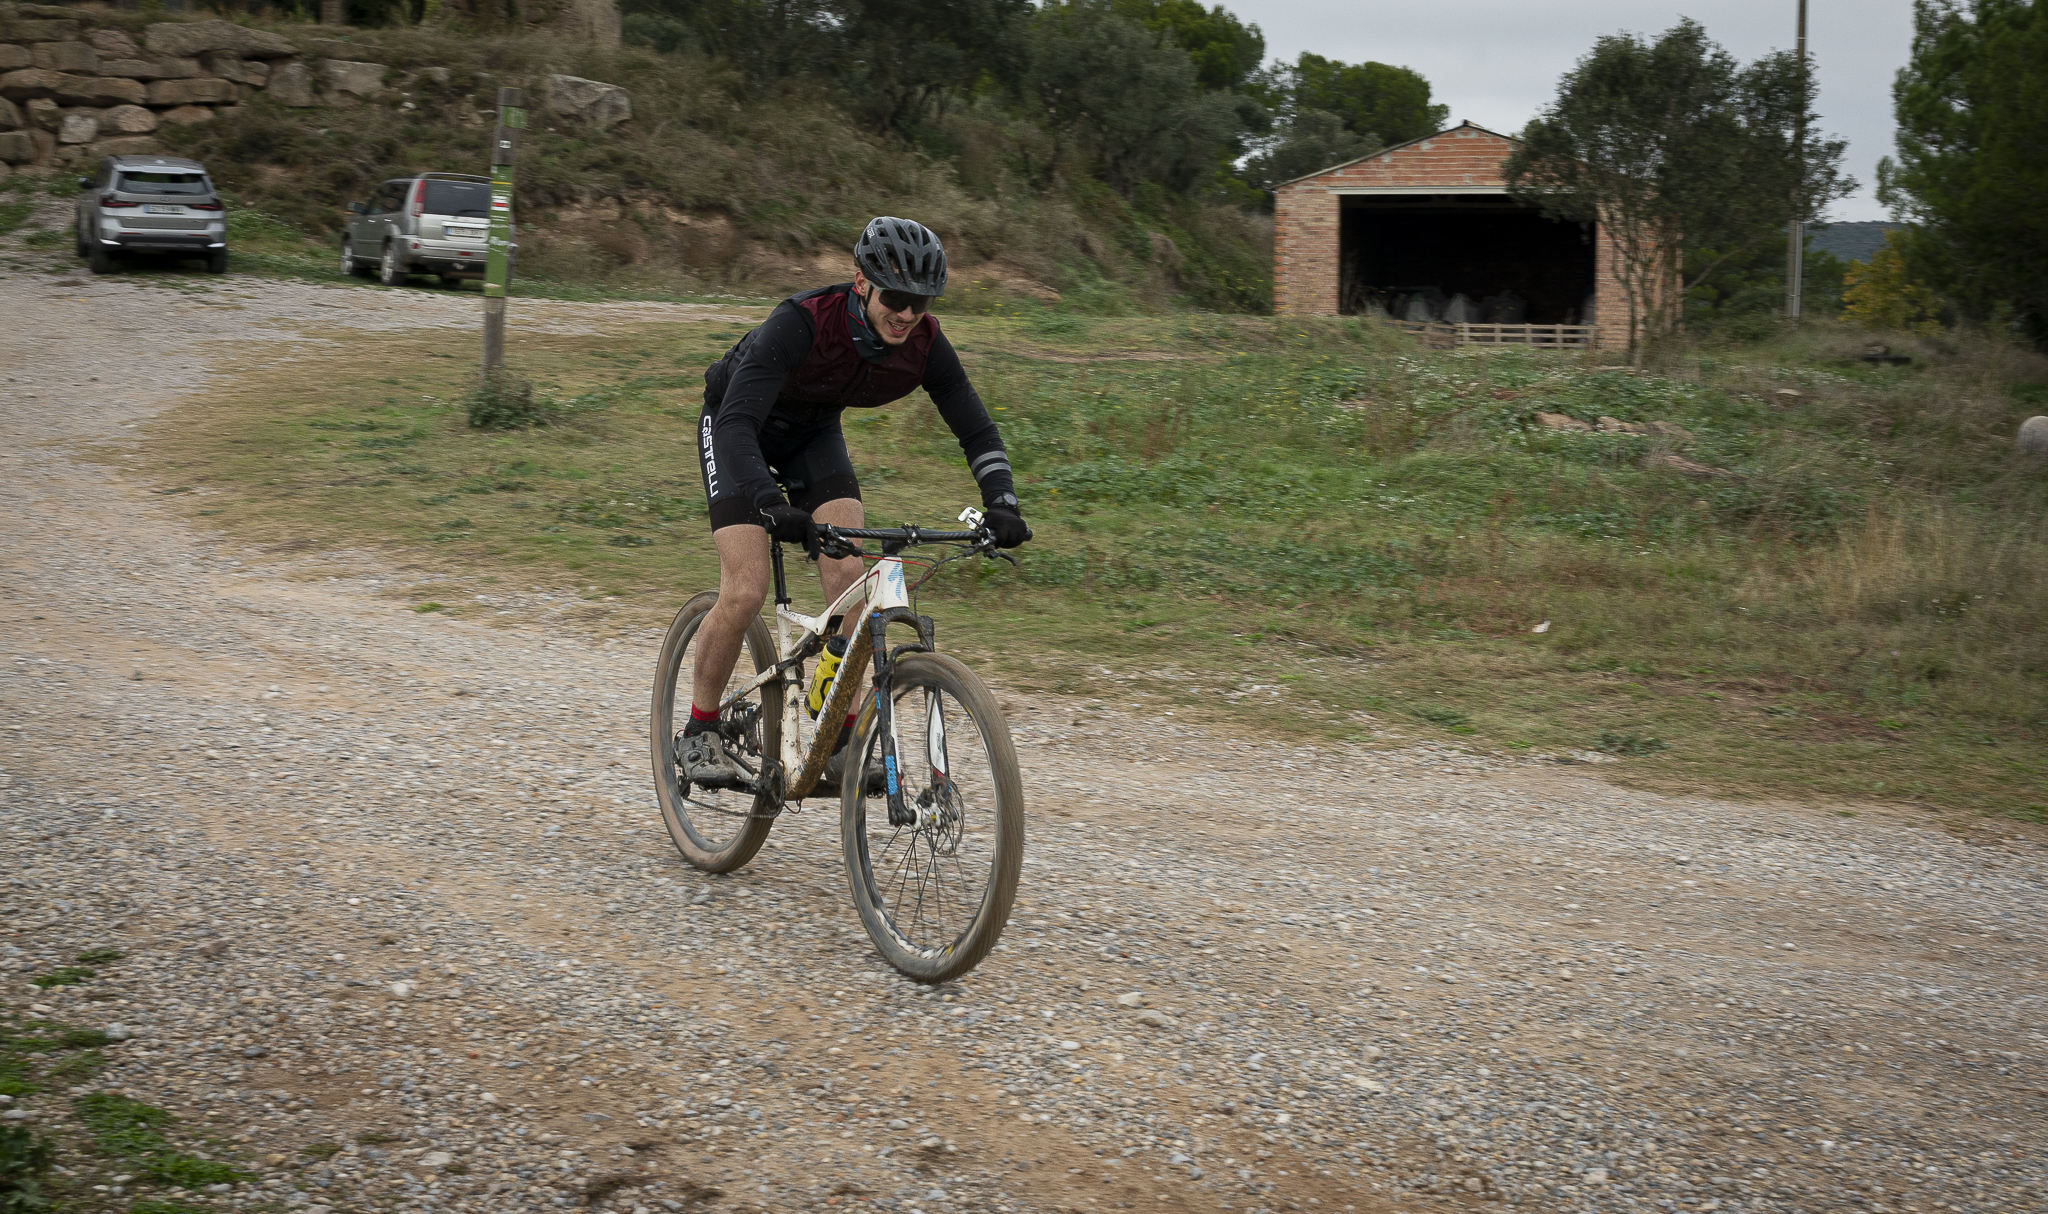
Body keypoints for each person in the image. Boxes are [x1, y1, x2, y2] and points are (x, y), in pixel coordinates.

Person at [681, 216, 1029, 792]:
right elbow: (738, 421)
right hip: (736, 425)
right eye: (895, 297)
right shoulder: (802, 322)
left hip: (812, 435)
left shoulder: (925, 344)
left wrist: (1003, 503)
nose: (907, 313)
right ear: (862, 284)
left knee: (852, 588)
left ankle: (836, 736)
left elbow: (976, 429)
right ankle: (700, 727)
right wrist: (769, 503)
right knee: (745, 587)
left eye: (921, 301)